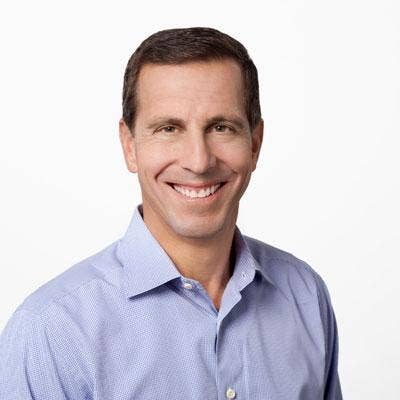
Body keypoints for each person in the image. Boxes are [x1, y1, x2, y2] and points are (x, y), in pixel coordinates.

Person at [0, 27, 342, 399]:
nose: (199, 161)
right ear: (130, 146)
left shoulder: (304, 294)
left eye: (221, 127)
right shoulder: (53, 331)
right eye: (168, 128)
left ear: (255, 144)